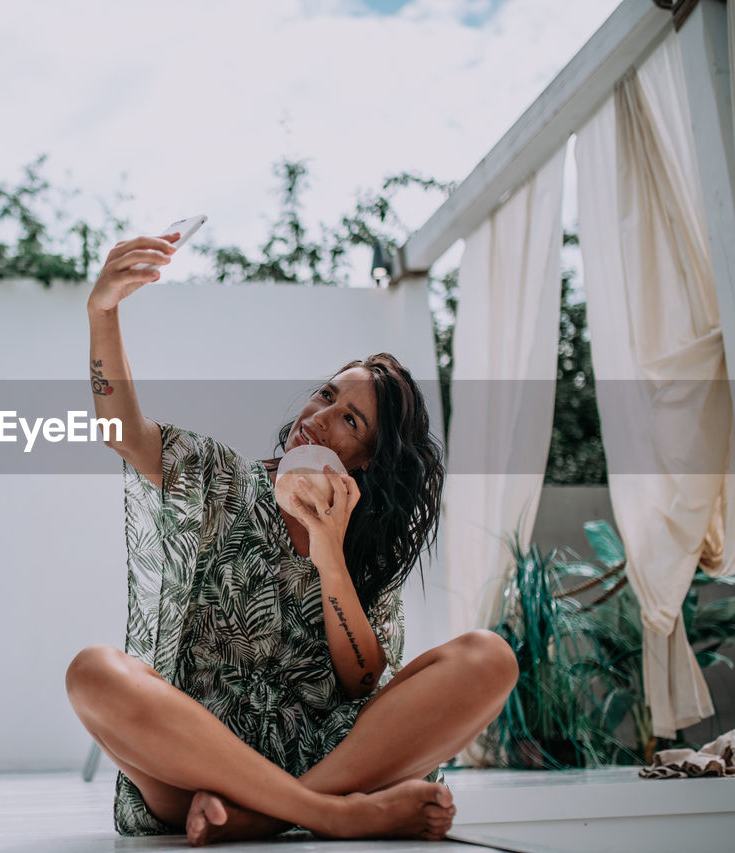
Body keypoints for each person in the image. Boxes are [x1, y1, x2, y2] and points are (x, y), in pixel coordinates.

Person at [66, 232, 519, 846]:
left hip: (329, 756)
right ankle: (336, 816)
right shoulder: (219, 479)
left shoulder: (364, 543)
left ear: (367, 461)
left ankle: (272, 816)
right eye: (327, 394)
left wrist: (329, 550)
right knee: (93, 672)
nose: (319, 416)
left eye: (349, 419)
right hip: (201, 764)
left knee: (490, 657)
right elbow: (123, 432)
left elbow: (362, 682)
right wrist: (103, 311)